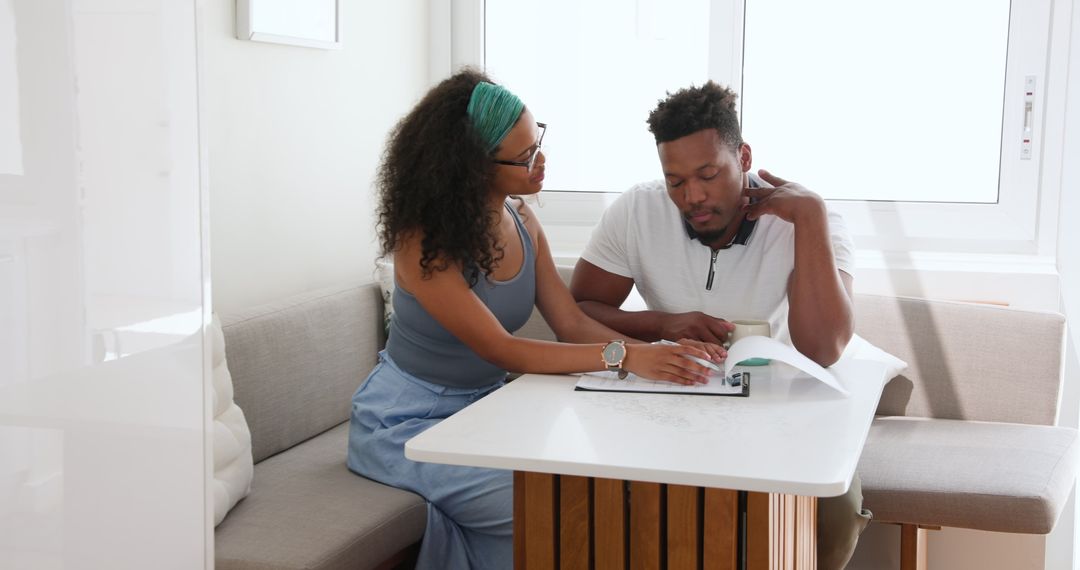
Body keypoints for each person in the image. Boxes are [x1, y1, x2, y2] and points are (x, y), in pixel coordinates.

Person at [346, 69, 725, 570]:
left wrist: (657, 359)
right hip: (406, 423)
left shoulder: (523, 220)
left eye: (537, 141)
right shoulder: (422, 243)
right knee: (550, 507)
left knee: (595, 482)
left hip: (486, 410)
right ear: (471, 168)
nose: (540, 160)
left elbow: (569, 321)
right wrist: (628, 356)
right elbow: (502, 350)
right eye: (525, 156)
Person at [569, 81, 871, 570]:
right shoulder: (637, 210)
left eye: (708, 174)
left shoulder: (812, 220)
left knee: (832, 517)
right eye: (676, 181)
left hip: (782, 408)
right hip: (669, 401)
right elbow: (577, 313)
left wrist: (810, 217)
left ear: (744, 156)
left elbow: (824, 347)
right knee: (597, 502)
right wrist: (665, 323)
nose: (693, 196)